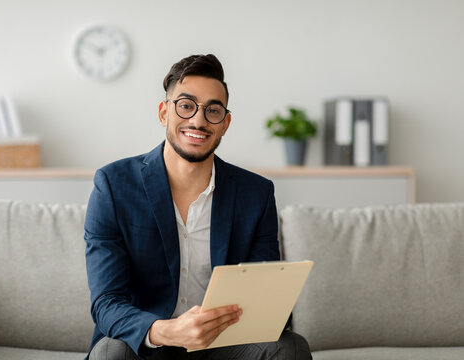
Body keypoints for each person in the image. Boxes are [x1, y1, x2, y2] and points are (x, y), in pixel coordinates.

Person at [84, 54, 312, 360]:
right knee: (110, 352)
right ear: (164, 112)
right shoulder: (113, 184)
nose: (198, 120)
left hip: (224, 343)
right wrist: (166, 330)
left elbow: (269, 303)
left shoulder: (255, 193)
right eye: (186, 105)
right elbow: (107, 302)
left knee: (290, 347)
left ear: (225, 123)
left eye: (213, 110)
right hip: (147, 341)